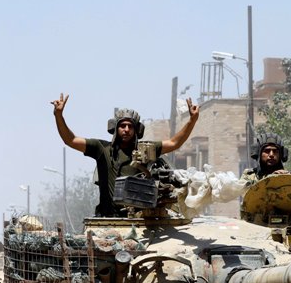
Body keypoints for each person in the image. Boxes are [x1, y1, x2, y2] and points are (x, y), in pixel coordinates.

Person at [52, 93, 199, 217]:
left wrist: (192, 121)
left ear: (137, 130)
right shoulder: (101, 148)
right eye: (122, 126)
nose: (126, 129)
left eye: (130, 126)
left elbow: (174, 143)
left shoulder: (145, 150)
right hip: (106, 219)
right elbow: (70, 140)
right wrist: (59, 116)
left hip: (138, 219)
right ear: (115, 128)